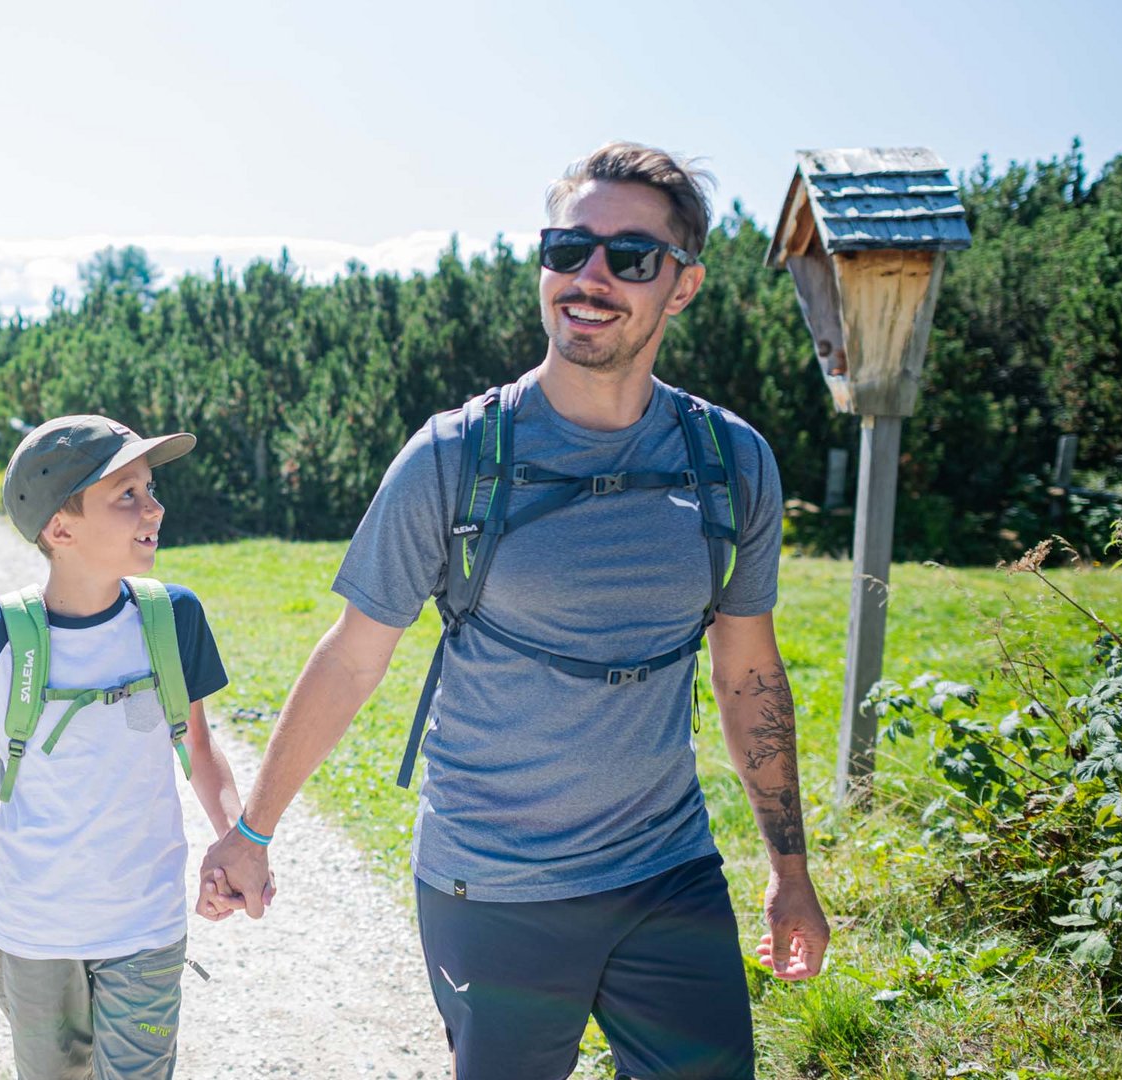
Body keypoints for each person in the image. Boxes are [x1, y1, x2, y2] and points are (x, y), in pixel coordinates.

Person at [199, 142, 831, 1079]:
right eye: (568, 248)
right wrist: (252, 833)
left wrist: (790, 871)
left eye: (631, 256)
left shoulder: (732, 461)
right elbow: (353, 656)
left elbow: (748, 674)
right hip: (491, 885)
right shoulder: (453, 456)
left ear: (684, 285)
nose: (590, 277)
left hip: (668, 871)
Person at [0, 415, 256, 1079]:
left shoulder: (173, 618)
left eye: (150, 489)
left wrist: (238, 841)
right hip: (33, 934)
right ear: (61, 530)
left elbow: (200, 750)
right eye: (127, 495)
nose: (154, 508)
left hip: (146, 926)